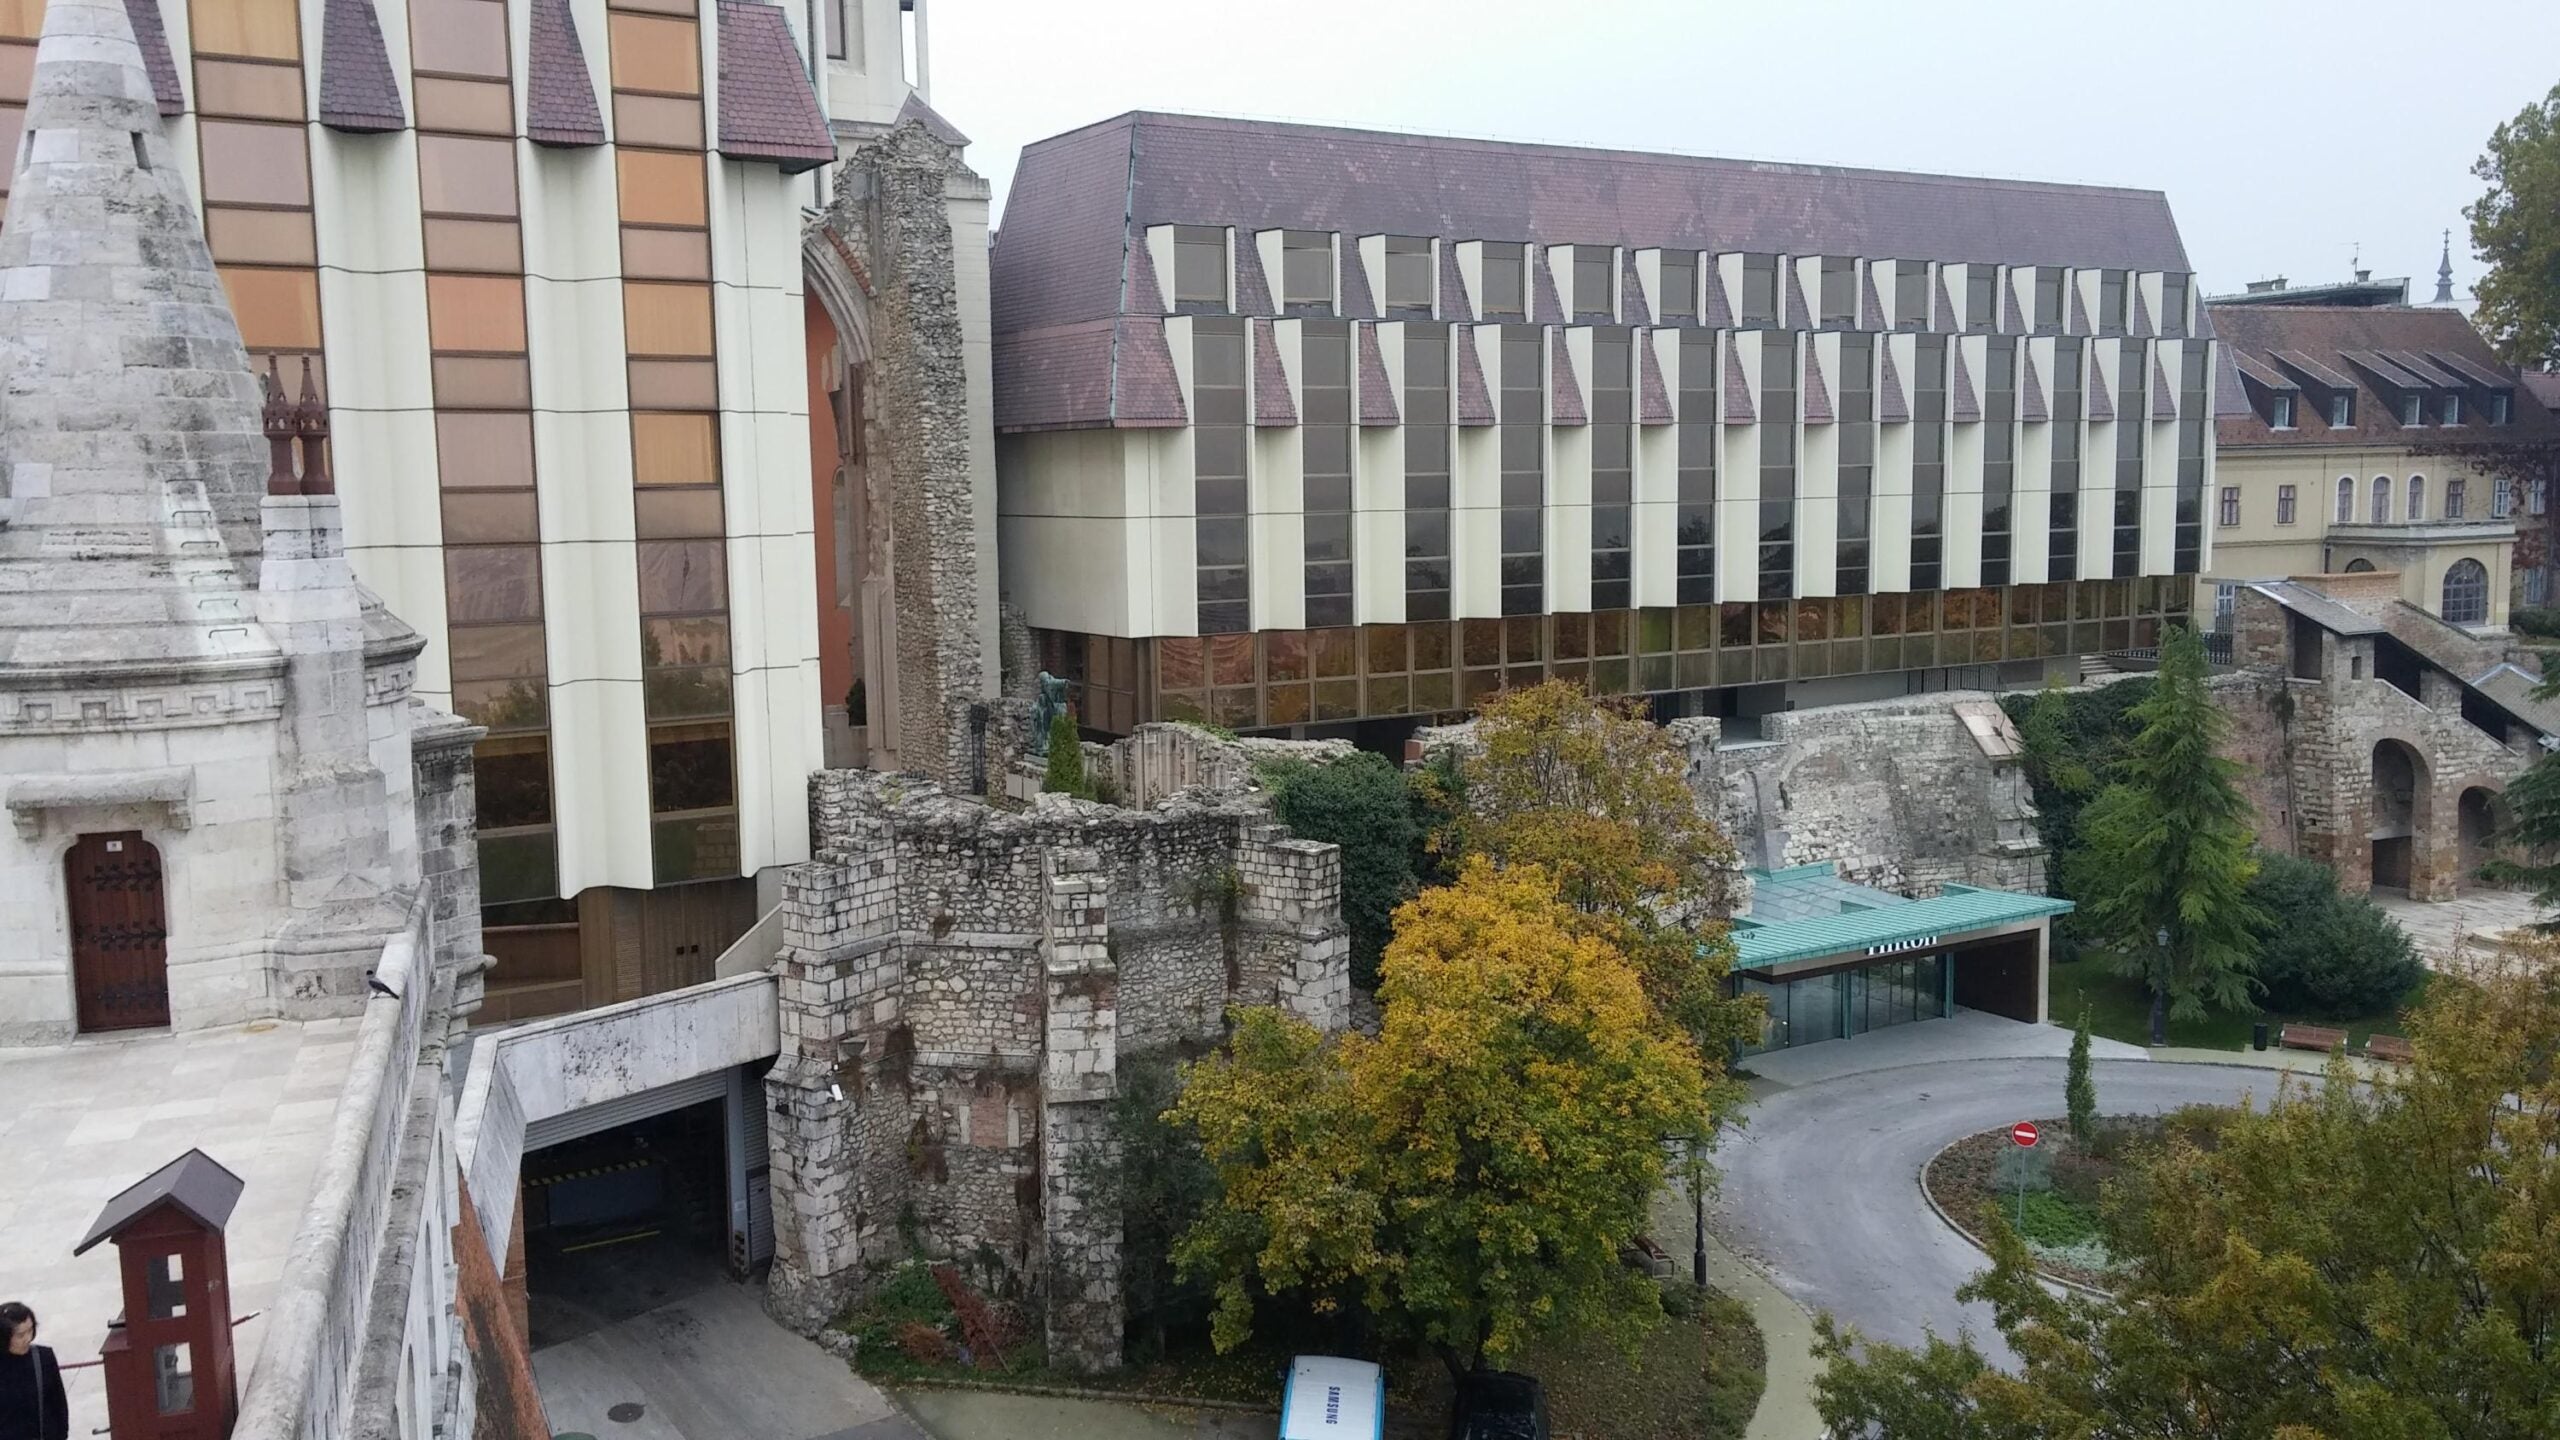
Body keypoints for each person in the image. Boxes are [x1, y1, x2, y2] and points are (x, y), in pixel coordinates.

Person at [0, 1303, 67, 1440]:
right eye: (20, 1335)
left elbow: (59, 1404)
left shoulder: (44, 1357)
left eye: (31, 1330)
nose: (28, 1338)